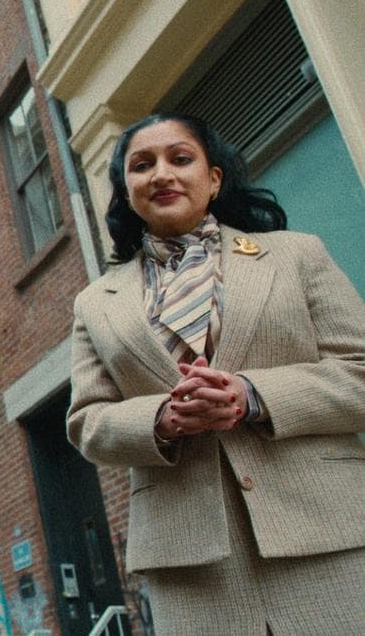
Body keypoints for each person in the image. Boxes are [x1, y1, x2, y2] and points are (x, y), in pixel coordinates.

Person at [67, 113, 365, 634]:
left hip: (330, 533)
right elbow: (87, 421)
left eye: (180, 158)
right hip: (188, 563)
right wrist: (162, 419)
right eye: (142, 165)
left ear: (213, 178)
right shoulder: (96, 303)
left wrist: (252, 395)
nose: (161, 174)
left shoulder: (297, 255)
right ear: (127, 191)